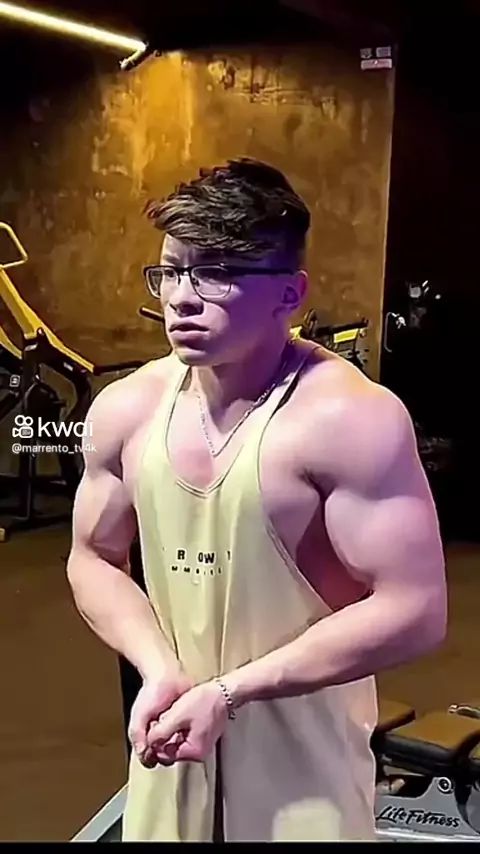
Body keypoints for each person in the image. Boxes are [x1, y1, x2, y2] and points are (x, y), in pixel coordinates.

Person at [66, 158, 447, 842]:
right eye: (171, 271)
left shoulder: (349, 419)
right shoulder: (125, 409)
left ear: (290, 294)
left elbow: (415, 610)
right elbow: (92, 557)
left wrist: (231, 691)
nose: (182, 298)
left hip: (305, 780)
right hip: (169, 759)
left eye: (217, 273)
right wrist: (158, 668)